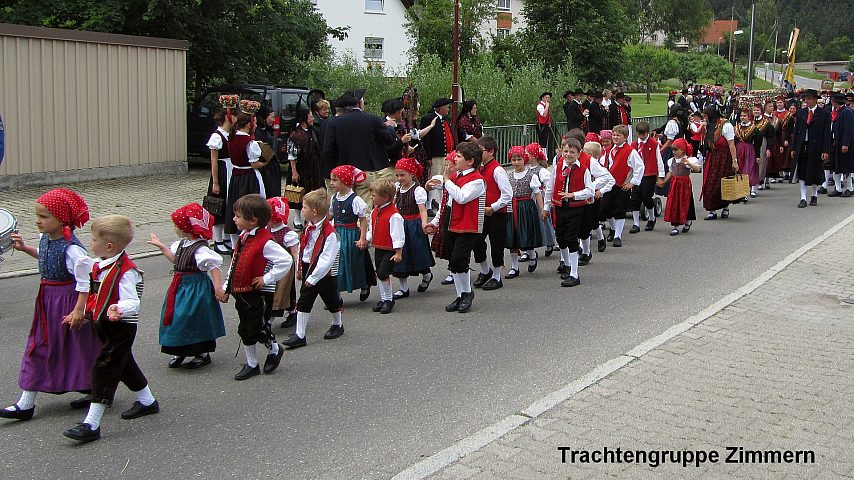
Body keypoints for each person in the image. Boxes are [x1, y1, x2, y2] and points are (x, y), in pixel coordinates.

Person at [1, 189, 97, 422]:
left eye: (44, 216)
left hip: (67, 301)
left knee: (79, 347)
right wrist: (25, 248)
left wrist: (78, 310)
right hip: (48, 299)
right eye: (37, 215)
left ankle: (94, 389)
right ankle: (26, 402)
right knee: (40, 345)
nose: (38, 220)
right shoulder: (47, 239)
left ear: (62, 219)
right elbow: (47, 257)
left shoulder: (73, 249)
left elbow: (86, 281)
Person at [63, 215, 157, 443]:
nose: (90, 243)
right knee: (124, 364)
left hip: (121, 326)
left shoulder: (126, 271)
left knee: (105, 367)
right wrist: (85, 312)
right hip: (104, 324)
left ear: (109, 246)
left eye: (93, 239)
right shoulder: (100, 265)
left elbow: (133, 301)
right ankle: (147, 401)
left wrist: (119, 308)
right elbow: (96, 294)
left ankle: (91, 424)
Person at [221, 195, 291, 380]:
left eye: (238, 216)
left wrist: (267, 278)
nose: (234, 219)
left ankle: (274, 349)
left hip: (257, 294)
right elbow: (235, 263)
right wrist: (227, 286)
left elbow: (286, 260)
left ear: (253, 221)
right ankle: (252, 363)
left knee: (257, 328)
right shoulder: (244, 237)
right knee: (244, 329)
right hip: (242, 294)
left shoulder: (265, 241)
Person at [147, 203, 226, 370]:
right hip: (180, 288)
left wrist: (218, 288)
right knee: (177, 317)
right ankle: (179, 349)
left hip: (196, 288)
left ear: (186, 228)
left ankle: (201, 353)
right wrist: (161, 246)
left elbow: (214, 266)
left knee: (194, 318)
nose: (174, 228)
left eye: (176, 225)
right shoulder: (181, 245)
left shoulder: (201, 250)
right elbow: (177, 261)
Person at [425, 142, 485, 313]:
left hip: (467, 226)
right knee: (454, 262)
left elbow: (461, 197)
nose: (455, 159)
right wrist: (436, 222)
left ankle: (467, 293)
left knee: (460, 260)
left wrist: (446, 181)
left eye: (459, 157)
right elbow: (447, 203)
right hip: (452, 223)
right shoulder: (456, 177)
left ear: (471, 161)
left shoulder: (477, 181)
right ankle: (460, 295)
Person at [281, 189, 345, 349]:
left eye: (304, 207)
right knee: (304, 300)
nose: (301, 210)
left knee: (331, 299)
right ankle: (300, 334)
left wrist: (313, 277)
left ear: (314, 211)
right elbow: (305, 248)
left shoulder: (330, 234)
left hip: (324, 273)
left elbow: (326, 259)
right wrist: (300, 268)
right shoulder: (309, 227)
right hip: (309, 267)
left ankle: (338, 323)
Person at [321, 88, 398, 205]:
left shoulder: (334, 122)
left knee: (343, 205)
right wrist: (390, 127)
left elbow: (328, 150)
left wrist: (331, 173)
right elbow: (388, 139)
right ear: (359, 103)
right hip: (366, 171)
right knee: (364, 207)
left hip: (343, 172)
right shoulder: (372, 120)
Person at [542, 139, 593, 287]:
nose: (568, 154)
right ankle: (567, 264)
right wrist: (546, 207)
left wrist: (574, 195)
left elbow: (589, 190)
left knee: (571, 239)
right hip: (559, 207)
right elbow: (550, 188)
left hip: (575, 208)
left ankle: (574, 273)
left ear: (579, 153)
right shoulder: (558, 167)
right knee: (560, 237)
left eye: (572, 152)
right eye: (566, 151)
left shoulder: (583, 169)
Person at [329, 165, 375, 301]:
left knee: (354, 261)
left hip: (350, 235)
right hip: (337, 235)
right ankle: (336, 294)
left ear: (345, 181)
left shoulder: (355, 200)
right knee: (337, 263)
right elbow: (330, 216)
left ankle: (364, 283)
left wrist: (362, 238)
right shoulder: (334, 198)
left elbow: (363, 220)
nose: (331, 183)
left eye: (335, 180)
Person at [473, 136, 513, 290]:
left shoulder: (497, 170)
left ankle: (497, 275)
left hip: (497, 213)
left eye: (479, 150)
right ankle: (485, 270)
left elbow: (507, 194)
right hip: (482, 212)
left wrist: (494, 207)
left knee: (497, 244)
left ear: (490, 151)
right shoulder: (480, 168)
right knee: (476, 241)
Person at [392, 157, 434, 298]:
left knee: (418, 253)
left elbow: (422, 210)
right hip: (400, 225)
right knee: (401, 255)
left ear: (411, 174)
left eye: (402, 175)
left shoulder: (418, 190)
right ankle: (404, 288)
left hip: (414, 225)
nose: (399, 178)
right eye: (397, 175)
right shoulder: (397, 189)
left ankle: (426, 274)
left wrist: (424, 223)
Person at [225, 109, 267, 248]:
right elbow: (254, 164)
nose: (255, 125)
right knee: (251, 206)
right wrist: (267, 160)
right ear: (249, 125)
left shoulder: (232, 137)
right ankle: (251, 241)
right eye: (254, 122)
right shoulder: (249, 141)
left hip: (236, 177)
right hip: (249, 178)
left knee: (235, 205)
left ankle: (234, 244)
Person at [599, 125, 644, 247]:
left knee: (620, 210)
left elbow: (640, 167)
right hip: (610, 184)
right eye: (614, 134)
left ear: (625, 137)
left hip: (622, 185)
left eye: (618, 135)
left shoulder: (630, 151)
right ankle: (613, 228)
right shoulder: (609, 150)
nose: (615, 137)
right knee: (605, 209)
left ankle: (617, 236)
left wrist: (633, 182)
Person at [504, 147, 544, 278]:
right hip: (512, 208)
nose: (516, 162)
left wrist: (542, 209)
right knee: (512, 237)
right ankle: (514, 267)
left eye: (519, 159)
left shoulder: (531, 176)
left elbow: (537, 193)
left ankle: (532, 255)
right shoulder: (509, 176)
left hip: (526, 208)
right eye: (513, 159)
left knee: (526, 235)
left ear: (524, 159)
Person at [366, 179, 404, 314]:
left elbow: (398, 235)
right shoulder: (375, 211)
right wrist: (367, 240)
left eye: (374, 195)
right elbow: (373, 229)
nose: (371, 197)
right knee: (380, 274)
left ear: (385, 197)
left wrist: (398, 252)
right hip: (379, 247)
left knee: (383, 274)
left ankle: (388, 299)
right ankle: (384, 299)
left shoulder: (394, 215)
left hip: (389, 250)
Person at [791, 89, 833, 208]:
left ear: (815, 99)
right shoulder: (801, 113)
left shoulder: (824, 114)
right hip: (803, 146)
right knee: (802, 172)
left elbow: (827, 134)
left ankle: (814, 195)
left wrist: (826, 150)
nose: (807, 101)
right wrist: (794, 148)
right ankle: (803, 197)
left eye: (809, 98)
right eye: (805, 99)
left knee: (815, 172)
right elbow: (796, 132)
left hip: (817, 148)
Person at [287, 108, 324, 230]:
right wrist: (294, 171)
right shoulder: (295, 134)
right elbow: (291, 155)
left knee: (312, 192)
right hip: (301, 168)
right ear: (304, 119)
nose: (313, 119)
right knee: (298, 192)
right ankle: (297, 218)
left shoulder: (312, 131)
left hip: (313, 168)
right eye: (310, 116)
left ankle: (310, 218)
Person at [700, 105, 739, 219]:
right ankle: (712, 210)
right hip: (713, 157)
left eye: (706, 115)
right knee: (710, 182)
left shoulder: (725, 125)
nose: (705, 118)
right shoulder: (710, 126)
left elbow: (731, 145)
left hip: (724, 158)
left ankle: (725, 207)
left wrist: (734, 161)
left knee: (722, 183)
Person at [266, 197, 299, 329]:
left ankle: (269, 320)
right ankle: (292, 312)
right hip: (270, 267)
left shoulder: (287, 234)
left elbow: (296, 253)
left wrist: (299, 269)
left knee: (280, 292)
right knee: (282, 292)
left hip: (285, 269)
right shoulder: (266, 230)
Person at [420, 98, 457, 214]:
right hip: (436, 155)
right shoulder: (428, 118)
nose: (448, 109)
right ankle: (428, 204)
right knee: (434, 179)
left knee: (444, 179)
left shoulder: (446, 120)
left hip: (447, 155)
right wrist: (429, 156)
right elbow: (427, 139)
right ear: (440, 108)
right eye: (446, 107)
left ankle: (442, 202)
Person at [660, 139, 701, 236]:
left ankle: (687, 220)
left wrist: (689, 164)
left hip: (684, 184)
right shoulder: (671, 161)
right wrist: (664, 181)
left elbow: (698, 169)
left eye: (676, 150)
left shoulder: (688, 160)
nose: (674, 152)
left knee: (686, 202)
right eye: (673, 150)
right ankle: (675, 225)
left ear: (682, 150)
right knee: (674, 203)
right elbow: (671, 172)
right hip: (675, 184)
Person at [629, 121, 664, 233]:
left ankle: (652, 219)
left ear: (648, 133)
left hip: (649, 174)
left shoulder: (654, 144)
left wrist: (660, 176)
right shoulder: (633, 145)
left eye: (643, 135)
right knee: (634, 199)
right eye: (639, 135)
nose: (641, 137)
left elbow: (659, 161)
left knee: (646, 197)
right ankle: (636, 223)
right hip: (636, 175)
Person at [207, 109, 233, 254]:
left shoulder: (230, 135)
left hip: (230, 169)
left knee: (228, 203)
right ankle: (217, 241)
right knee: (219, 204)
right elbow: (214, 160)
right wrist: (216, 182)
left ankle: (226, 237)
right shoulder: (216, 136)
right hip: (222, 171)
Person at [525, 142, 556, 257]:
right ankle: (528, 249)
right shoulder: (526, 168)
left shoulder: (541, 170)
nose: (525, 155)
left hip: (539, 199)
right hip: (528, 199)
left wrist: (547, 201)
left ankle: (549, 242)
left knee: (544, 221)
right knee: (528, 223)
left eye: (527, 153)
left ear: (534, 155)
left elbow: (549, 186)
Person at [828, 93, 854, 197]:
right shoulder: (836, 112)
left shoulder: (847, 112)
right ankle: (838, 188)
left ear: (836, 102)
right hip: (836, 142)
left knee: (846, 167)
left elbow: (849, 130)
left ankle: (849, 188)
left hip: (844, 144)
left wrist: (845, 144)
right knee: (836, 167)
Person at [735, 107, 763, 199]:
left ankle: (752, 189)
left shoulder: (754, 129)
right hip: (739, 149)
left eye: (744, 116)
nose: (742, 117)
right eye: (741, 116)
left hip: (749, 150)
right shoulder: (737, 128)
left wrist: (757, 155)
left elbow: (758, 143)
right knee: (740, 169)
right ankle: (742, 192)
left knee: (750, 169)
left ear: (749, 117)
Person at [255, 106, 282, 198]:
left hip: (272, 167)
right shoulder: (256, 133)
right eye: (272, 117)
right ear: (263, 118)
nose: (274, 120)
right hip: (264, 168)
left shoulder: (270, 131)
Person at [536, 92, 555, 157]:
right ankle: (543, 156)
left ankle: (545, 156)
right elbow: (544, 115)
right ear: (542, 98)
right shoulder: (540, 105)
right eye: (546, 97)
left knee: (545, 141)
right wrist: (547, 106)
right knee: (543, 142)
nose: (547, 99)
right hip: (541, 125)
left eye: (548, 98)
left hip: (546, 125)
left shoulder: (546, 105)